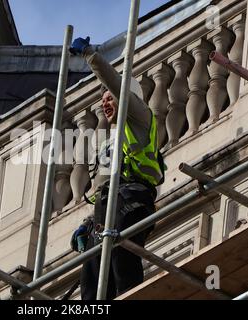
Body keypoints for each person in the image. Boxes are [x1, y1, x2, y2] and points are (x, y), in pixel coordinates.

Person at [69, 36, 164, 300]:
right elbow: (103, 186)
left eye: (109, 98)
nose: (105, 104)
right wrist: (87, 223)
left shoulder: (140, 118)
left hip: (132, 201)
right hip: (107, 208)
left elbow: (115, 85)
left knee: (123, 262)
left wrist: (90, 55)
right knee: (91, 281)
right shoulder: (112, 143)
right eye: (103, 101)